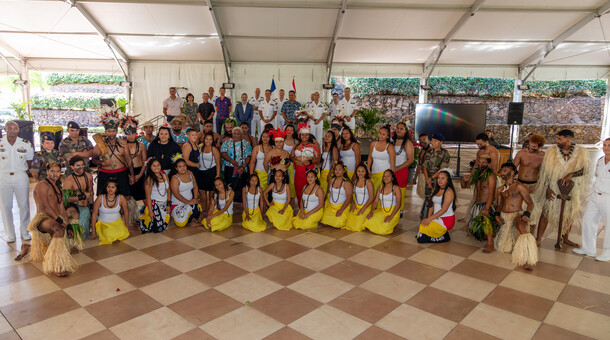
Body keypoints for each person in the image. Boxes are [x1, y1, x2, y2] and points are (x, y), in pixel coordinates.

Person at [532, 129, 589, 247]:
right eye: (557, 138)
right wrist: (547, 187)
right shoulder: (552, 151)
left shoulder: (581, 151)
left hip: (571, 187)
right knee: (546, 211)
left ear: (568, 140)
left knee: (570, 213)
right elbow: (546, 171)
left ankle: (565, 237)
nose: (556, 141)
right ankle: (538, 238)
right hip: (553, 185)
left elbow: (585, 169)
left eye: (559, 139)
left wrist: (571, 174)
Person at [28, 162, 79, 276]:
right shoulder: (42, 185)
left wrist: (68, 224)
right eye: (52, 171)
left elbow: (61, 208)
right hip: (43, 218)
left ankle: (27, 247)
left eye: (58, 171)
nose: (55, 174)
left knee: (66, 227)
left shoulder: (58, 187)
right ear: (47, 172)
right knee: (58, 229)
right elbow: (45, 207)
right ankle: (57, 266)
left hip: (55, 217)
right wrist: (60, 221)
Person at [494, 163, 537, 269]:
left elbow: (530, 203)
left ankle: (528, 259)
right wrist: (496, 216)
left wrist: (526, 214)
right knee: (505, 247)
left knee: (523, 229)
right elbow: (499, 206)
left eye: (505, 171)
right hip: (505, 217)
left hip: (517, 214)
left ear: (512, 172)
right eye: (502, 171)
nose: (502, 173)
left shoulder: (519, 186)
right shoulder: (500, 189)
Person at [574, 138, 610, 261]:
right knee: (588, 221)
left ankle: (607, 252)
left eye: (609, 146)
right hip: (596, 195)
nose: (606, 148)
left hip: (608, 197)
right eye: (604, 145)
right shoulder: (600, 161)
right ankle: (588, 249)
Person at [0, 121, 34, 243]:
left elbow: (29, 161)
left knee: (24, 206)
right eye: (10, 128)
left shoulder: (25, 144)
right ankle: (10, 234)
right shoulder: (1, 143)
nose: (12, 130)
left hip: (20, 176)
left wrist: (21, 169)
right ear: (5, 129)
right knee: (5, 206)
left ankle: (25, 231)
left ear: (18, 130)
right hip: (3, 177)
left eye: (15, 128)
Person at [93, 108, 135, 198]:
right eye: (109, 131)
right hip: (105, 173)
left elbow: (129, 160)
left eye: (113, 131)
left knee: (126, 197)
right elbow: (94, 159)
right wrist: (102, 163)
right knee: (102, 197)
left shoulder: (123, 144)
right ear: (105, 131)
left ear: (116, 131)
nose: (111, 133)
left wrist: (132, 175)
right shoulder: (100, 144)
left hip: (121, 173)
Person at [461, 155, 497, 252]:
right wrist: (462, 180)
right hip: (477, 204)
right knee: (476, 223)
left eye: (483, 163)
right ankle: (478, 233)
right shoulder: (477, 174)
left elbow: (491, 193)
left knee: (486, 220)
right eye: (479, 162)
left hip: (486, 203)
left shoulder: (491, 176)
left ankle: (490, 243)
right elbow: (465, 186)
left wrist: (487, 207)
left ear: (489, 164)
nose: (481, 164)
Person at [417, 170, 456, 243]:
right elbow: (431, 205)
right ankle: (440, 234)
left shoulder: (449, 192)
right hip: (436, 217)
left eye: (443, 178)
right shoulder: (436, 189)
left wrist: (430, 219)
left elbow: (444, 209)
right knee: (423, 224)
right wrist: (429, 218)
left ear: (448, 180)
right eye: (438, 178)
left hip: (446, 219)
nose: (440, 180)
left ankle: (445, 236)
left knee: (422, 238)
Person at [90, 178, 130, 245]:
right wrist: (93, 232)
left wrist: (126, 227)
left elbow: (126, 212)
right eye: (108, 187)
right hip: (103, 224)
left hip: (117, 223)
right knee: (108, 235)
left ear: (116, 188)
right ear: (106, 188)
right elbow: (94, 214)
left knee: (124, 234)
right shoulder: (100, 198)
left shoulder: (121, 198)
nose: (110, 189)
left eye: (113, 187)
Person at [62, 156, 94, 239]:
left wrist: (92, 205)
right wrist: (80, 197)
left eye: (82, 165)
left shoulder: (89, 176)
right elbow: (65, 199)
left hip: (86, 205)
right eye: (78, 165)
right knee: (81, 236)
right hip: (75, 207)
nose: (81, 167)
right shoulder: (68, 181)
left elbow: (91, 192)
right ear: (72, 167)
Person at [421, 133, 450, 219]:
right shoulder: (429, 152)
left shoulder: (445, 153)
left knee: (436, 200)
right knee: (427, 200)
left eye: (435, 141)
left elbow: (442, 169)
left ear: (441, 142)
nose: (432, 142)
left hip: (438, 181)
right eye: (432, 140)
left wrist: (431, 178)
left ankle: (436, 219)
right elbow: (424, 166)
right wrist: (427, 179)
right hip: (428, 180)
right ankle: (426, 218)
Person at [122, 116, 147, 216]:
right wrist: (129, 175)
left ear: (136, 134)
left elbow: (145, 161)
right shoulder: (123, 145)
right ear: (126, 134)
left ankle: (149, 214)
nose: (131, 136)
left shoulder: (141, 146)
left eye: (132, 133)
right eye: (128, 134)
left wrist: (140, 175)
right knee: (128, 196)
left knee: (143, 194)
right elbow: (123, 161)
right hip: (127, 172)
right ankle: (131, 216)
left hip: (139, 171)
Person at [364, 169, 402, 235]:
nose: (385, 178)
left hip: (393, 212)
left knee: (384, 230)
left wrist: (391, 216)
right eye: (384, 176)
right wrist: (371, 212)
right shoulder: (380, 187)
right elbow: (376, 201)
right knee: (368, 220)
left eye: (388, 176)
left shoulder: (396, 188)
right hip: (382, 211)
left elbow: (398, 204)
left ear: (392, 178)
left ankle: (394, 224)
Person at [220, 126, 252, 203]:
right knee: (230, 185)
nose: (236, 135)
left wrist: (243, 166)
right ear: (232, 134)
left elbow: (248, 156)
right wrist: (232, 161)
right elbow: (223, 153)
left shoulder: (246, 143)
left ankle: (241, 203)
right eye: (235, 133)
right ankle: (229, 202)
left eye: (238, 134)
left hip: (242, 168)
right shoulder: (227, 142)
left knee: (241, 185)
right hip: (230, 168)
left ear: (241, 134)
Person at [292, 124, 320, 205]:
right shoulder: (296, 145)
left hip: (308, 171)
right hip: (298, 172)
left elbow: (317, 158)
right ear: (300, 135)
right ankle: (301, 209)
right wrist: (294, 161)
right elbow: (291, 157)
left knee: (309, 189)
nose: (304, 136)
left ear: (309, 135)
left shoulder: (313, 146)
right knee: (298, 190)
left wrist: (310, 162)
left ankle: (308, 207)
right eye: (303, 134)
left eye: (306, 134)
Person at [140, 158, 171, 233]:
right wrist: (151, 211)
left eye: (158, 165)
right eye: (154, 166)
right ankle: (145, 219)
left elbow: (168, 191)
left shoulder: (165, 176)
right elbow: (148, 196)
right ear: (150, 167)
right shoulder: (149, 179)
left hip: (164, 204)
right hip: (155, 205)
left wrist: (169, 205)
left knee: (162, 226)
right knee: (157, 229)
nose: (156, 167)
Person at [170, 158, 201, 227]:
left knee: (197, 214)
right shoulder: (174, 178)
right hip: (178, 205)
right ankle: (188, 213)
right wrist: (188, 202)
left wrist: (195, 198)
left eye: (184, 166)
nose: (182, 168)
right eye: (180, 166)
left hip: (190, 203)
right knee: (181, 224)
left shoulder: (190, 174)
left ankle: (190, 211)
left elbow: (195, 187)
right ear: (176, 168)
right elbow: (176, 194)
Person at [320, 162, 352, 229]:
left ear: (343, 171)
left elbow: (349, 198)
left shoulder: (347, 183)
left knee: (338, 224)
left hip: (342, 206)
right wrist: (323, 203)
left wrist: (341, 209)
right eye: (336, 169)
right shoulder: (331, 180)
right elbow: (328, 193)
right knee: (324, 223)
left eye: (339, 169)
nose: (337, 171)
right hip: (330, 206)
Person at [393, 122, 414, 215]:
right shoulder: (391, 141)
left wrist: (397, 168)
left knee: (400, 191)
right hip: (391, 170)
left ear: (406, 131)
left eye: (401, 129)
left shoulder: (407, 143)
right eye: (397, 128)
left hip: (401, 171)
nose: (399, 130)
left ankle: (399, 211)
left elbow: (410, 160)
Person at [345, 163, 374, 231]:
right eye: (359, 171)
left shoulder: (368, 182)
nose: (360, 173)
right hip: (356, 206)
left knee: (358, 226)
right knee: (348, 223)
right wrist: (353, 204)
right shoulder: (354, 182)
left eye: (362, 171)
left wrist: (363, 209)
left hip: (366, 206)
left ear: (365, 172)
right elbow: (350, 195)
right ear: (356, 172)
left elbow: (371, 198)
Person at [198, 133, 221, 216]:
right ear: (204, 139)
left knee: (211, 192)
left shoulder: (214, 149)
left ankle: (210, 209)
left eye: (210, 139)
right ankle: (203, 208)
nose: (208, 141)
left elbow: (218, 163)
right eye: (206, 139)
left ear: (213, 141)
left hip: (212, 172)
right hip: (201, 172)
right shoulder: (200, 147)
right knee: (201, 192)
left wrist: (217, 175)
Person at [367, 125, 396, 191]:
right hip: (373, 174)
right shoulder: (373, 144)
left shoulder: (390, 147)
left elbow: (392, 165)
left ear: (387, 136)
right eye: (380, 133)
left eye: (383, 134)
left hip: (384, 176)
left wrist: (391, 179)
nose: (380, 135)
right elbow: (370, 158)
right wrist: (368, 169)